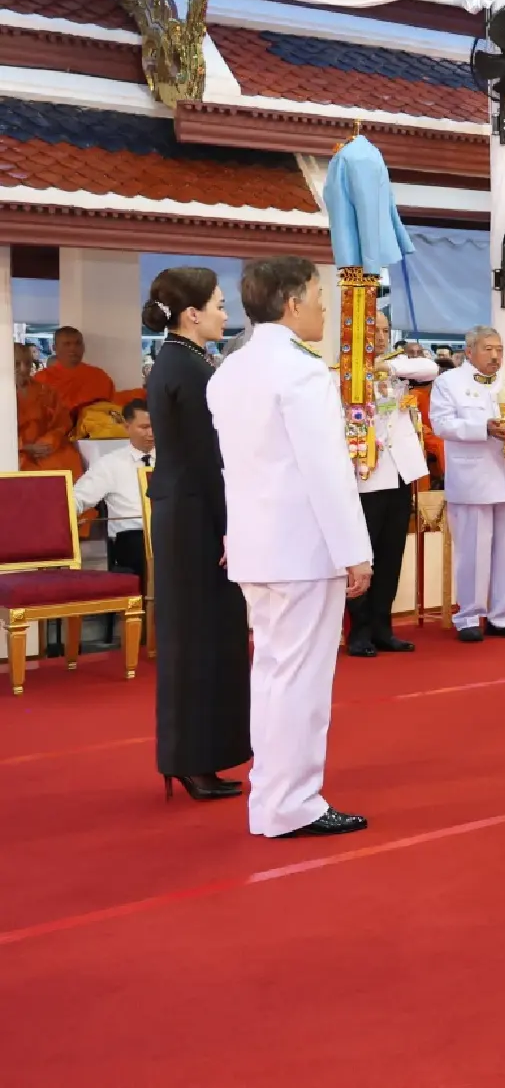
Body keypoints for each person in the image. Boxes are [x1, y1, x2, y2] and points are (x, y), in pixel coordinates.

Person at [208, 257, 373, 837]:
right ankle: (293, 803)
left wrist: (235, 533)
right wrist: (356, 550)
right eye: (318, 295)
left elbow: (235, 470)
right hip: (303, 548)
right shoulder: (301, 373)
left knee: (275, 675)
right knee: (300, 682)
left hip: (258, 545)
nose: (325, 306)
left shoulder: (229, 370)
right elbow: (326, 470)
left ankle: (273, 801)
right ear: (292, 302)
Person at [142, 267, 249, 803]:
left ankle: (194, 756)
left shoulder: (179, 361)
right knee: (196, 640)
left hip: (185, 508)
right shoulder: (188, 368)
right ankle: (190, 758)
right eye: (220, 306)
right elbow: (209, 459)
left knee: (202, 636)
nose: (226, 316)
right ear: (192, 314)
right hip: (195, 513)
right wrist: (231, 524)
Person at [430, 326, 505, 644]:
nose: (495, 355)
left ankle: (502, 614)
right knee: (473, 551)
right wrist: (483, 427)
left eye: (499, 349)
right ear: (470, 350)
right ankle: (469, 616)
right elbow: (441, 423)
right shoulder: (449, 383)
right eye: (488, 349)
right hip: (473, 478)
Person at [348, 308, 437, 658]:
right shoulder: (347, 374)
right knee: (363, 556)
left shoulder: (398, 366)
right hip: (366, 475)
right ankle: (359, 630)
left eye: (385, 330)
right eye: (375, 331)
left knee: (391, 555)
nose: (382, 337)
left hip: (400, 472)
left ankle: (383, 627)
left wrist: (387, 366)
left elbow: (430, 367)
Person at [72, 398, 154, 586]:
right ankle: (149, 611)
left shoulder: (173, 460)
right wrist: (63, 518)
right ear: (127, 427)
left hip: (170, 531)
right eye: (144, 427)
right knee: (142, 548)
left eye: (156, 426)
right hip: (132, 536)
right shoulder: (110, 464)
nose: (151, 433)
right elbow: (78, 498)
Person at [14, 343, 83, 478]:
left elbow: (62, 423)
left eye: (27, 363)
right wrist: (23, 446)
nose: (23, 369)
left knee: (68, 462)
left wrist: (49, 442)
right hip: (14, 451)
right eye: (16, 364)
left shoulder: (46, 391)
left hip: (46, 448)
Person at [34, 325, 116, 426]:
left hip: (94, 434)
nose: (73, 348)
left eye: (78, 343)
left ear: (83, 347)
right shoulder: (42, 378)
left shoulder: (99, 376)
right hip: (57, 435)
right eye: (66, 344)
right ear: (54, 348)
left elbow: (112, 409)